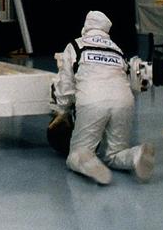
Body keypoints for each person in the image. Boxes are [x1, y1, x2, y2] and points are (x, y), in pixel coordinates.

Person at [52, 10, 155, 186]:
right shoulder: (116, 49)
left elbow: (66, 85)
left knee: (75, 154)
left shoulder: (76, 46)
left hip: (93, 100)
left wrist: (61, 110)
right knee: (115, 153)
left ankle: (87, 160)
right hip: (124, 100)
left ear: (86, 26)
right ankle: (135, 155)